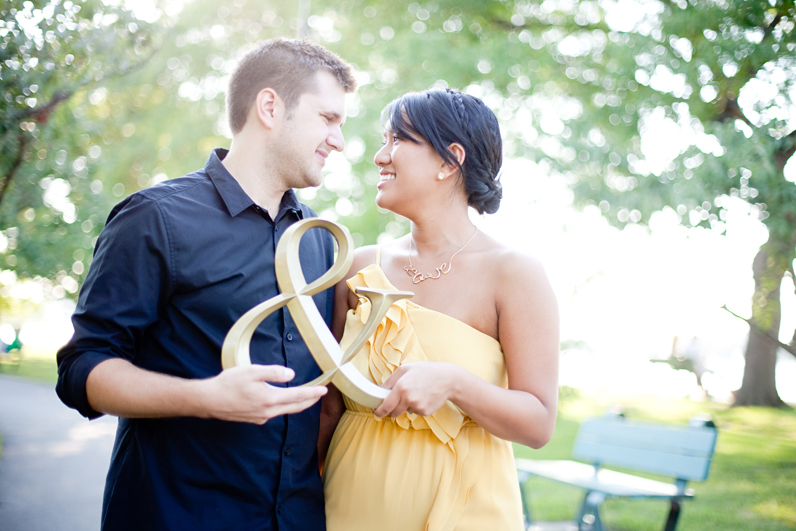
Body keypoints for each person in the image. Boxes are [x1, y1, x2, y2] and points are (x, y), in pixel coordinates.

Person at [56, 38, 356, 530]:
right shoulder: (154, 218)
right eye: (328, 119)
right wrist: (206, 397)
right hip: (175, 515)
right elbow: (81, 369)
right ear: (269, 106)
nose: (339, 141)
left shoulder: (321, 242)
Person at [319, 88, 559, 530]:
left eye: (397, 141)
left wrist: (454, 383)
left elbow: (539, 422)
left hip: (466, 508)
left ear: (450, 161)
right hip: (348, 504)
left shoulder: (514, 274)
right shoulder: (357, 267)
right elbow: (329, 406)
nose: (379, 156)